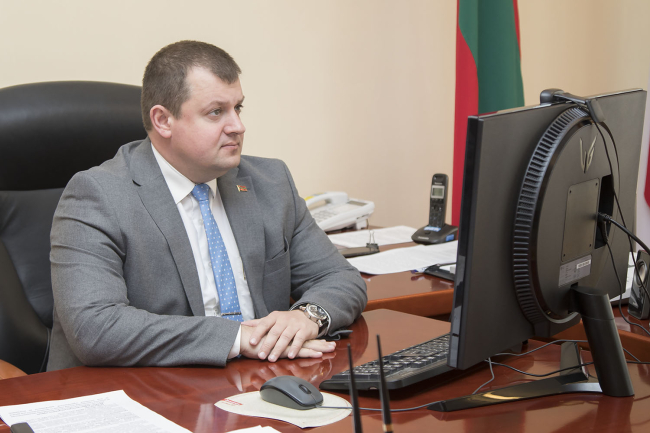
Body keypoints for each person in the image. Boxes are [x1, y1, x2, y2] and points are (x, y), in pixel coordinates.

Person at [47, 40, 367, 371]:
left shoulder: (271, 182)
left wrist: (307, 317)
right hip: (147, 386)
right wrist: (238, 338)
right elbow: (95, 328)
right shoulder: (98, 195)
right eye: (216, 112)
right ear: (163, 120)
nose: (238, 126)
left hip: (263, 378)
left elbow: (339, 277)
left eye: (238, 108)